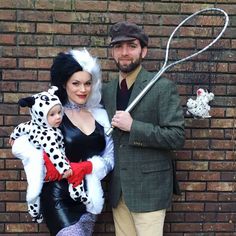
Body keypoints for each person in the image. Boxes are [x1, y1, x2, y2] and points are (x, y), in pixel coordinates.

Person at [11, 48, 114, 236]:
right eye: (76, 83)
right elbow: (21, 144)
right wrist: (46, 163)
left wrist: (88, 167)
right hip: (57, 196)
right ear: (64, 84)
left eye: (87, 83)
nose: (82, 90)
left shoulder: (100, 115)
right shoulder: (53, 113)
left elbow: (109, 157)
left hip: (89, 197)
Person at [102, 21, 185, 236]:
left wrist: (133, 127)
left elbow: (176, 136)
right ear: (112, 52)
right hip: (118, 191)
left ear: (144, 51)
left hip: (149, 190)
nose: (124, 52)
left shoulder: (162, 87)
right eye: (118, 47)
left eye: (131, 46)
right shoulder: (107, 90)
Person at [9, 86, 90, 223]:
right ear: (40, 114)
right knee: (76, 170)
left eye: (59, 112)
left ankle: (34, 212)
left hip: (42, 165)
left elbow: (20, 128)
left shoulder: (33, 124)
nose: (58, 117)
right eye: (52, 115)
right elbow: (54, 152)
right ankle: (77, 193)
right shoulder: (48, 134)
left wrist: (13, 136)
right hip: (49, 166)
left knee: (36, 189)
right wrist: (64, 168)